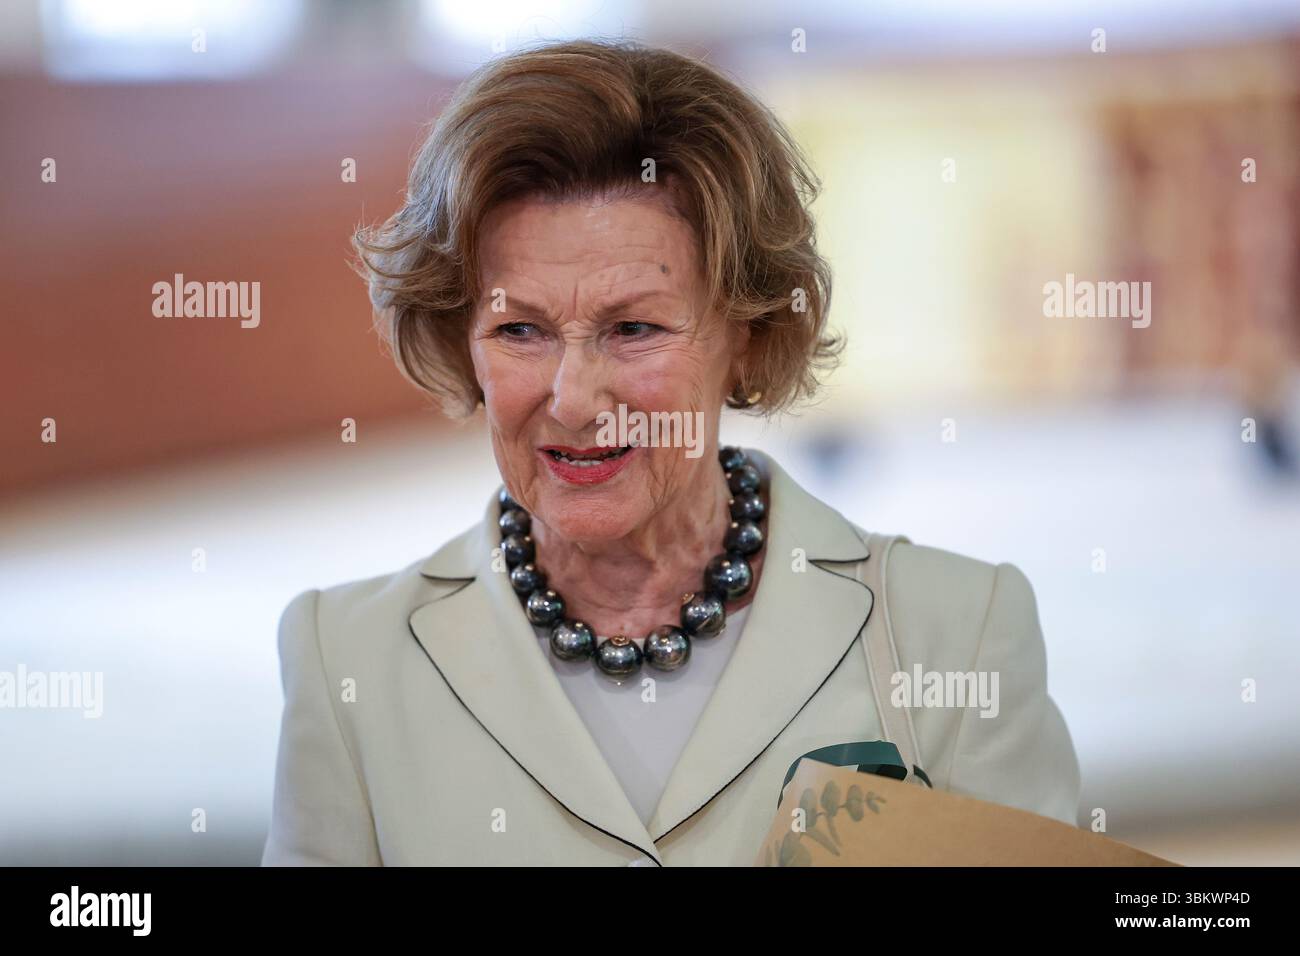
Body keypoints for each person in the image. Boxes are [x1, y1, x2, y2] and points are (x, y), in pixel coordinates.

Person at [261, 39, 1080, 866]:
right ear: (460, 342)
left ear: (751, 337)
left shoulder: (957, 633)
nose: (573, 398)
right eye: (520, 330)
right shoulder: (347, 663)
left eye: (635, 328)